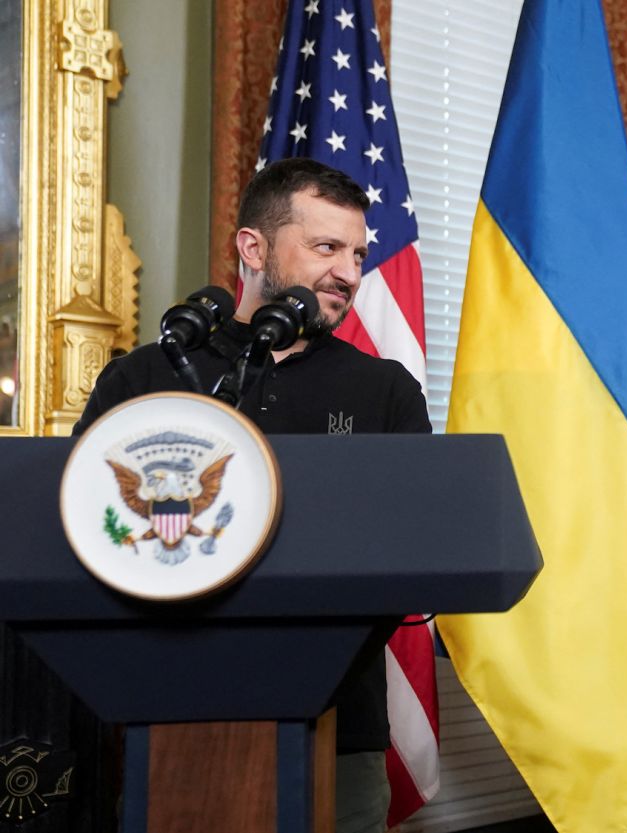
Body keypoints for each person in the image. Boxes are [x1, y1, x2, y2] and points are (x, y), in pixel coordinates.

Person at [74, 157, 429, 833]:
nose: (350, 273)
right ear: (253, 247)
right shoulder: (145, 379)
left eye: (358, 253)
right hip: (172, 722)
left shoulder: (384, 392)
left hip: (339, 725)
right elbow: (83, 529)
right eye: (326, 247)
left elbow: (412, 550)